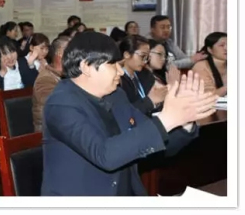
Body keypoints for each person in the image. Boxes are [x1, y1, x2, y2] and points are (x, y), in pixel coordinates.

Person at [41, 31, 215, 196]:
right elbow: (105, 154)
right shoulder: (61, 104)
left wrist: (184, 122)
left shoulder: (116, 95)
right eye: (113, 64)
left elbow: (151, 142)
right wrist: (167, 119)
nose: (120, 71)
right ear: (86, 67)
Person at [118, 34, 168, 115]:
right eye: (142, 56)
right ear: (127, 54)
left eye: (147, 58)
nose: (145, 61)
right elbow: (124, 113)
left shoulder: (144, 74)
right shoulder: (117, 80)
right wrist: (150, 101)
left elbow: (158, 98)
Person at [33, 36, 70, 132]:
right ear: (60, 54)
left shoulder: (68, 75)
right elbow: (58, 107)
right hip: (49, 133)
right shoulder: (45, 79)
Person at [191, 32, 227, 97]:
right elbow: (208, 95)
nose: (226, 48)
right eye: (222, 45)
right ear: (210, 50)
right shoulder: (201, 67)